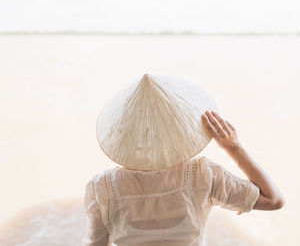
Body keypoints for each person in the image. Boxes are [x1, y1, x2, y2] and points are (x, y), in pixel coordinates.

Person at [82, 74, 284, 246]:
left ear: (122, 132)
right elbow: (273, 200)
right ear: (181, 127)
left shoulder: (101, 187)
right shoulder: (203, 175)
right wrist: (234, 148)